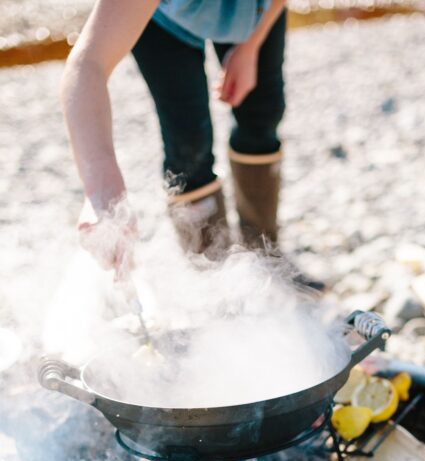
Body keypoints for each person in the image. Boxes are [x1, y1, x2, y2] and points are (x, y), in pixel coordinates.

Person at [62, 0, 287, 271]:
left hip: (250, 10)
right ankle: (213, 278)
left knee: (263, 113)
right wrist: (101, 194)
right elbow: (88, 63)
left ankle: (267, 263)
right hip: (165, 19)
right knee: (189, 144)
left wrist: (251, 46)